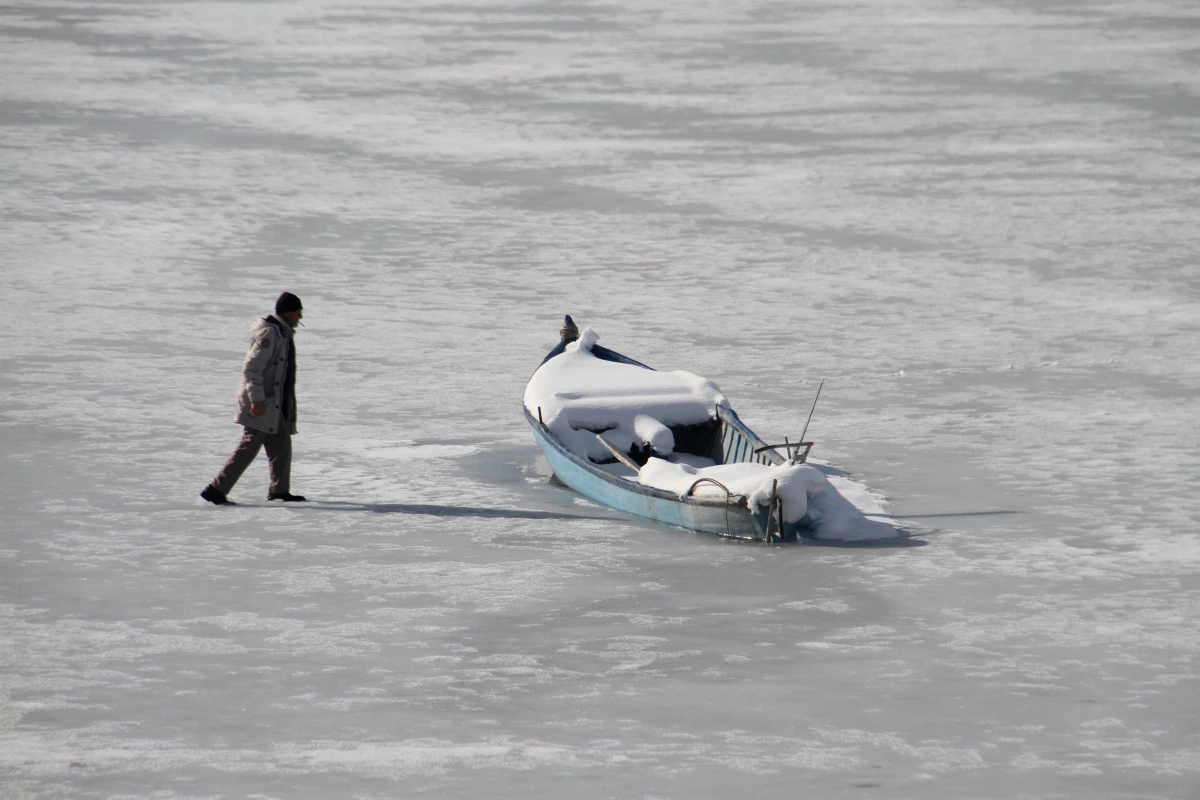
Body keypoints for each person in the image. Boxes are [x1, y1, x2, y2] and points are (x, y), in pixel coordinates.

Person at [201, 292, 307, 505]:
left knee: (282, 444)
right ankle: (216, 489)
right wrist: (257, 400)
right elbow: (252, 369)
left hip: (274, 404)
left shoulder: (282, 333)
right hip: (261, 403)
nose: (300, 317)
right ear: (287, 312)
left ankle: (280, 491)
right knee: (249, 447)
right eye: (298, 312)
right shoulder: (269, 335)